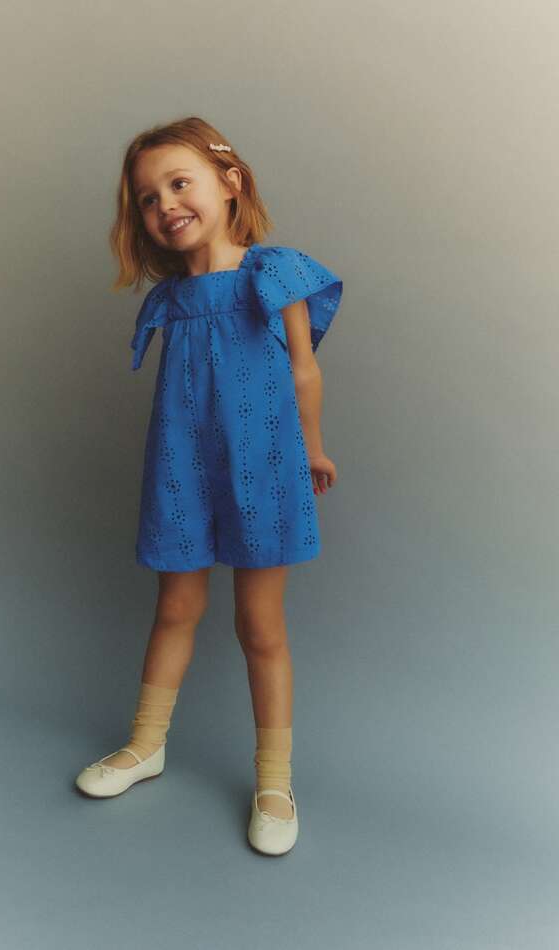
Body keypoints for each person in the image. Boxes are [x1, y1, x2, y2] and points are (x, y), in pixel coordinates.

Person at [75, 116, 343, 856]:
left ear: (229, 183)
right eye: (148, 198)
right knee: (175, 608)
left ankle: (274, 781)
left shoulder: (272, 272)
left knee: (261, 627)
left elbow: (303, 368)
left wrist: (313, 447)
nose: (165, 204)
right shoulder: (170, 298)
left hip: (265, 465)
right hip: (182, 469)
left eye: (178, 183)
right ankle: (146, 744)